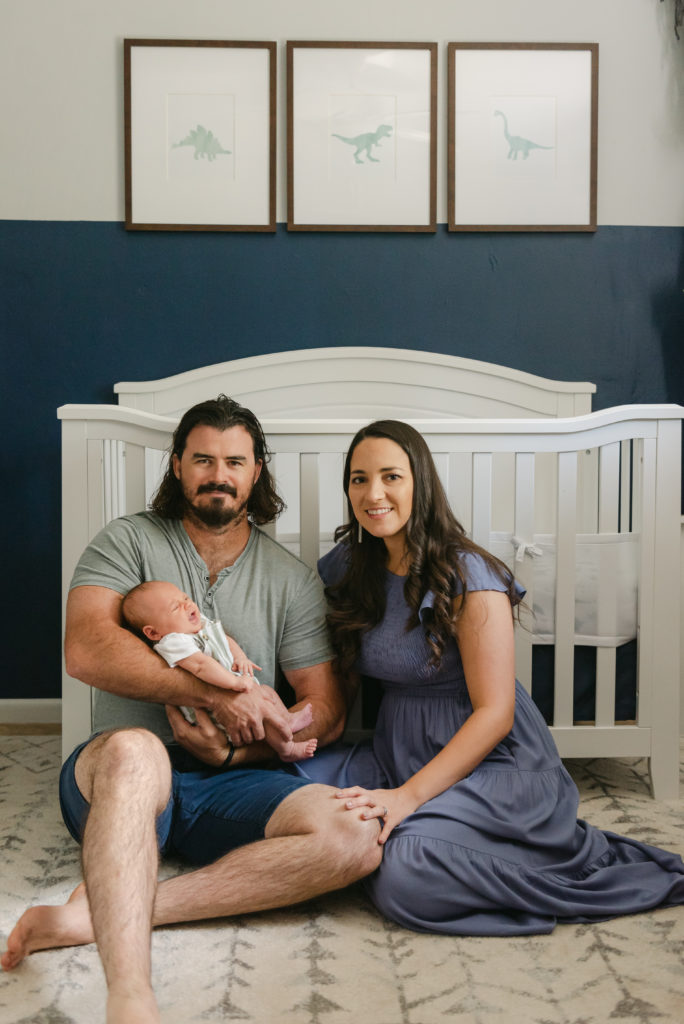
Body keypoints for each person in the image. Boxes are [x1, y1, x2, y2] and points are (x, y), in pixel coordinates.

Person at [1, 397, 382, 1024]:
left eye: (234, 461)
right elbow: (85, 649)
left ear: (256, 471)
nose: (218, 473)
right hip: (123, 775)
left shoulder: (289, 579)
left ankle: (94, 912)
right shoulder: (127, 541)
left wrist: (237, 749)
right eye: (202, 458)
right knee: (134, 749)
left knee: (356, 836)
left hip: (239, 776)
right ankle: (131, 998)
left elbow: (327, 711)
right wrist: (217, 693)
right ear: (177, 465)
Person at [291, 419, 684, 935]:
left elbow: (495, 714)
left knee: (404, 872)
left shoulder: (468, 574)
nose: (373, 493)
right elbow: (338, 675)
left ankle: (535, 873)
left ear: (421, 485)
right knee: (291, 796)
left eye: (391, 476)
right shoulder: (349, 564)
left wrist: (405, 797)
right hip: (400, 747)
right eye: (359, 479)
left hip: (493, 759)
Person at [122, 579, 317, 762]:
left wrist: (241, 658)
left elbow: (226, 639)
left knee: (268, 693)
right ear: (153, 632)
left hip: (236, 689)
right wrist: (234, 683)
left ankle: (287, 719)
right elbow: (200, 666)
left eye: (186, 598)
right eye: (175, 607)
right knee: (265, 715)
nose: (188, 605)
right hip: (213, 713)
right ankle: (287, 749)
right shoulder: (173, 642)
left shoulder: (200, 625)